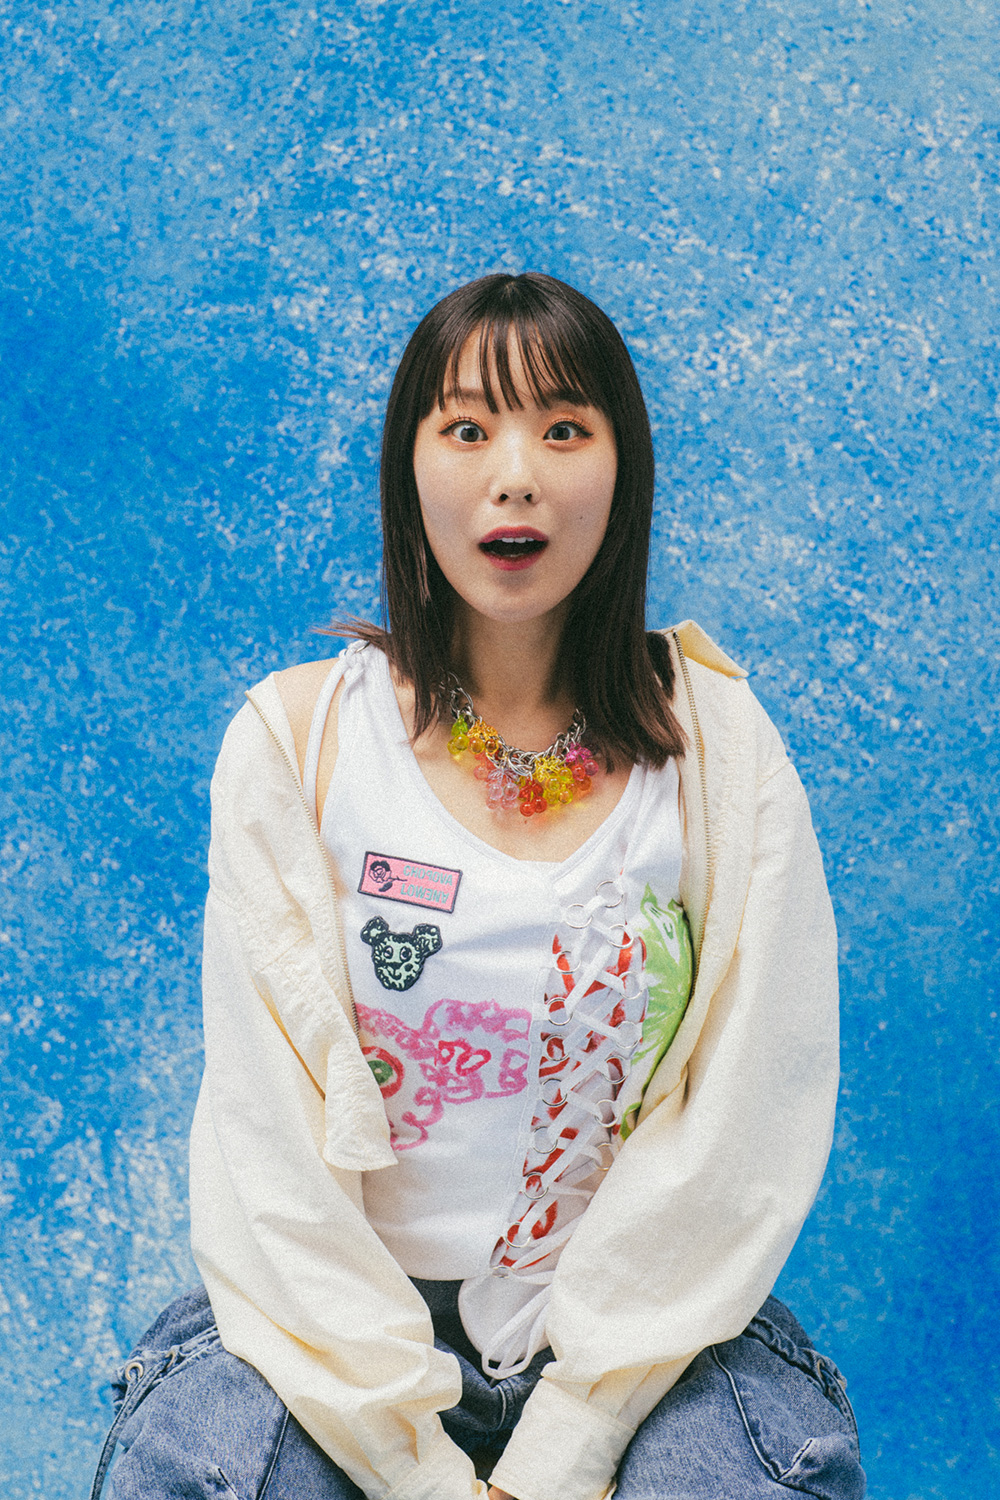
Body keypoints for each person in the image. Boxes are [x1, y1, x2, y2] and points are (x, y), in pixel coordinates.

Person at [89, 273, 865, 1500]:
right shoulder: (296, 742)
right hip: (335, 1338)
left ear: (623, 466)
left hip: (635, 1345)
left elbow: (741, 1130)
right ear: (409, 468)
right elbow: (266, 1157)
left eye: (563, 428)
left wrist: (569, 1442)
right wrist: (414, 1471)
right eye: (466, 428)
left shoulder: (718, 746)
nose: (516, 477)